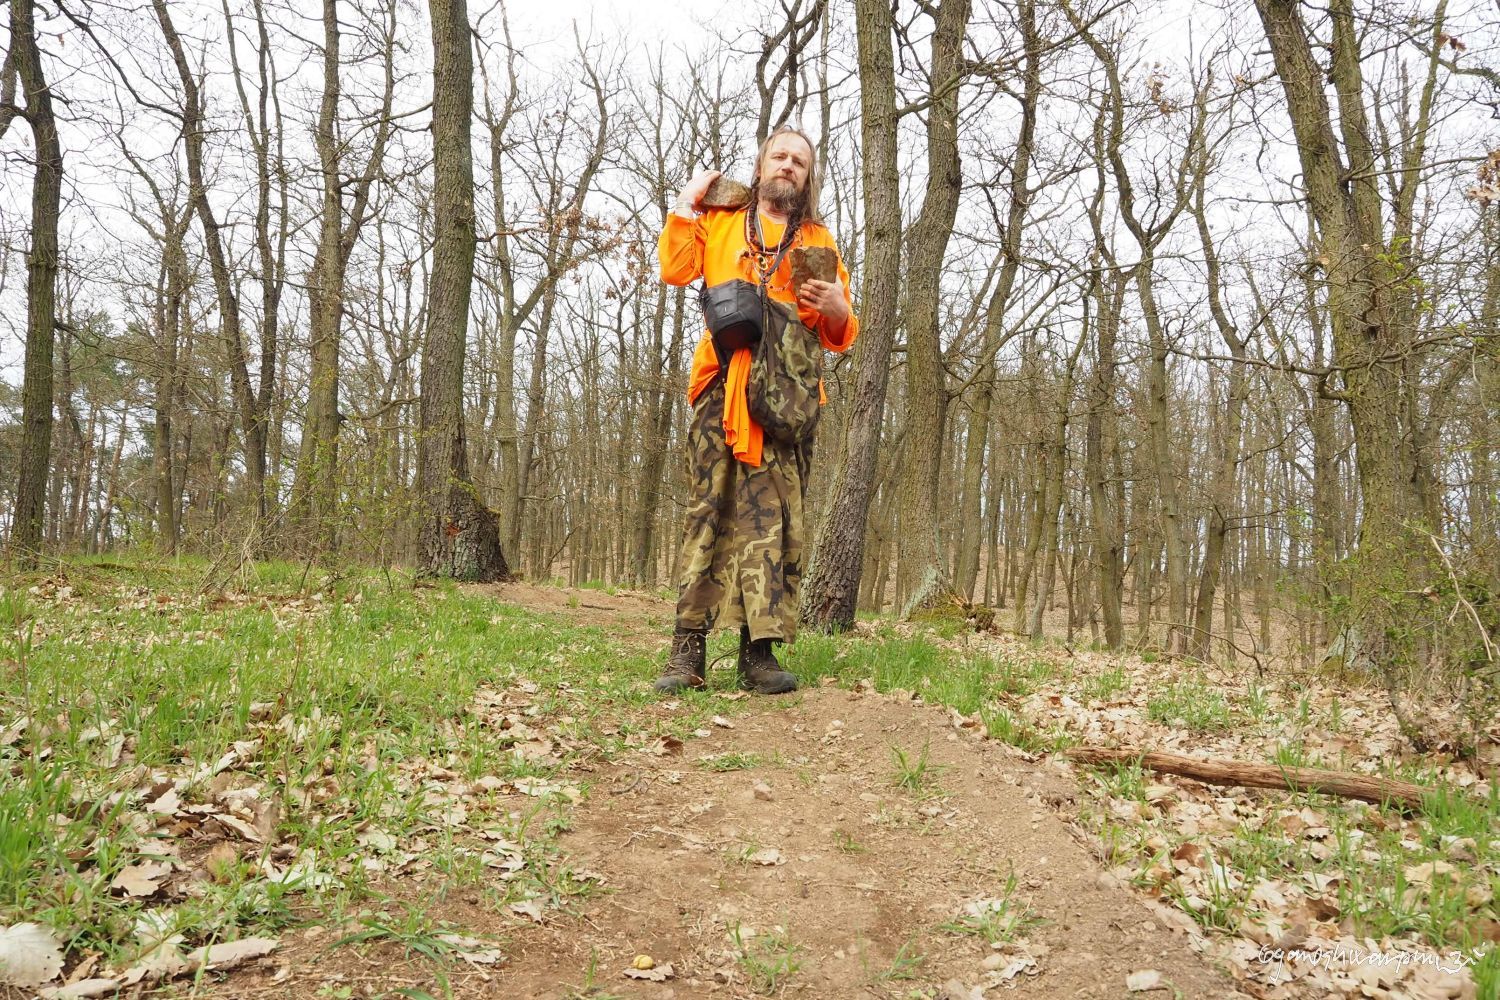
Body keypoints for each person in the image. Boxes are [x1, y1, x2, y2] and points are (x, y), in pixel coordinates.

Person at [653, 126, 860, 695]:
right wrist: (686, 202)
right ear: (762, 163)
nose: (789, 166)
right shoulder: (722, 220)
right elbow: (674, 269)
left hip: (785, 399)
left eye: (800, 161)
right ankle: (686, 652)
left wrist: (839, 305)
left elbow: (838, 333)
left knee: (775, 521)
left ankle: (759, 655)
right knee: (708, 512)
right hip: (720, 385)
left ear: (807, 176)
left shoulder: (817, 241)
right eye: (780, 156)